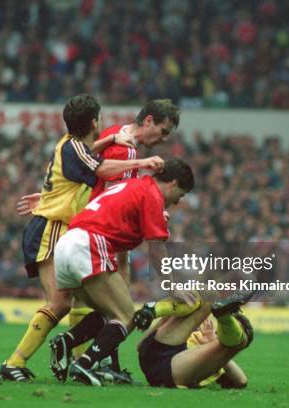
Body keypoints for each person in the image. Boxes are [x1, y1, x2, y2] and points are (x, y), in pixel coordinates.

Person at [0, 94, 164, 381]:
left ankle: (81, 363)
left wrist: (109, 143)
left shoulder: (73, 145)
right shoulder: (74, 147)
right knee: (61, 303)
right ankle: (14, 362)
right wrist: (142, 166)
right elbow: (100, 168)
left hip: (61, 228)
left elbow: (89, 163)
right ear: (93, 121)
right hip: (51, 228)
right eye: (99, 118)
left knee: (84, 303)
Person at [49, 159, 197, 386]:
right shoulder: (152, 195)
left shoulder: (134, 185)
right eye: (181, 193)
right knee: (127, 316)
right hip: (87, 244)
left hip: (68, 244)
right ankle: (84, 364)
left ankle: (66, 342)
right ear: (173, 183)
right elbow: (157, 249)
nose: (178, 201)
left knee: (109, 313)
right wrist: (172, 285)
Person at [68, 99, 182, 360]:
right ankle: (93, 359)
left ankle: (87, 356)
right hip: (99, 233)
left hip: (86, 228)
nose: (163, 139)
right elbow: (107, 184)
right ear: (149, 121)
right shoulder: (127, 151)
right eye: (163, 131)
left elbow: (83, 161)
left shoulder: (115, 136)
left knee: (82, 301)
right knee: (116, 307)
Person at [137, 295, 253, 389]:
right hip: (153, 349)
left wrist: (212, 343)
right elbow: (140, 346)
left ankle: (225, 317)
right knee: (208, 294)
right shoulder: (199, 330)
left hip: (168, 371)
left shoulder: (220, 366)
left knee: (236, 343)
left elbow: (242, 381)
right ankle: (152, 310)